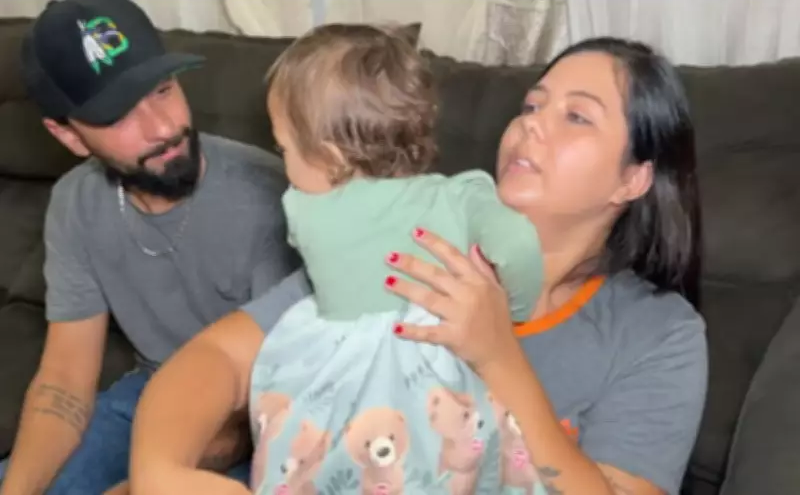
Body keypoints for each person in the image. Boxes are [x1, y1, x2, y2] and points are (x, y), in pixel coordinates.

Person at [128, 35, 709, 495]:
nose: (531, 123)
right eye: (532, 104)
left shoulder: (658, 334)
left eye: (576, 116)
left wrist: (497, 357)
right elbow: (218, 357)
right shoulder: (404, 241)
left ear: (635, 178)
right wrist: (159, 470)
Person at [0, 0, 299, 495]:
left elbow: (275, 389)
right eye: (118, 115)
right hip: (149, 394)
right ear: (68, 136)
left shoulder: (273, 199)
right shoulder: (74, 204)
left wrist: (146, 481)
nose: (163, 127)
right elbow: (65, 379)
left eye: (163, 89)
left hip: (259, 414)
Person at [249, 23, 541, 493]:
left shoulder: (301, 209)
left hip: (331, 379)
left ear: (328, 156)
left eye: (283, 148)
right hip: (437, 375)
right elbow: (517, 245)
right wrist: (513, 314)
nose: (283, 163)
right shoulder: (462, 197)